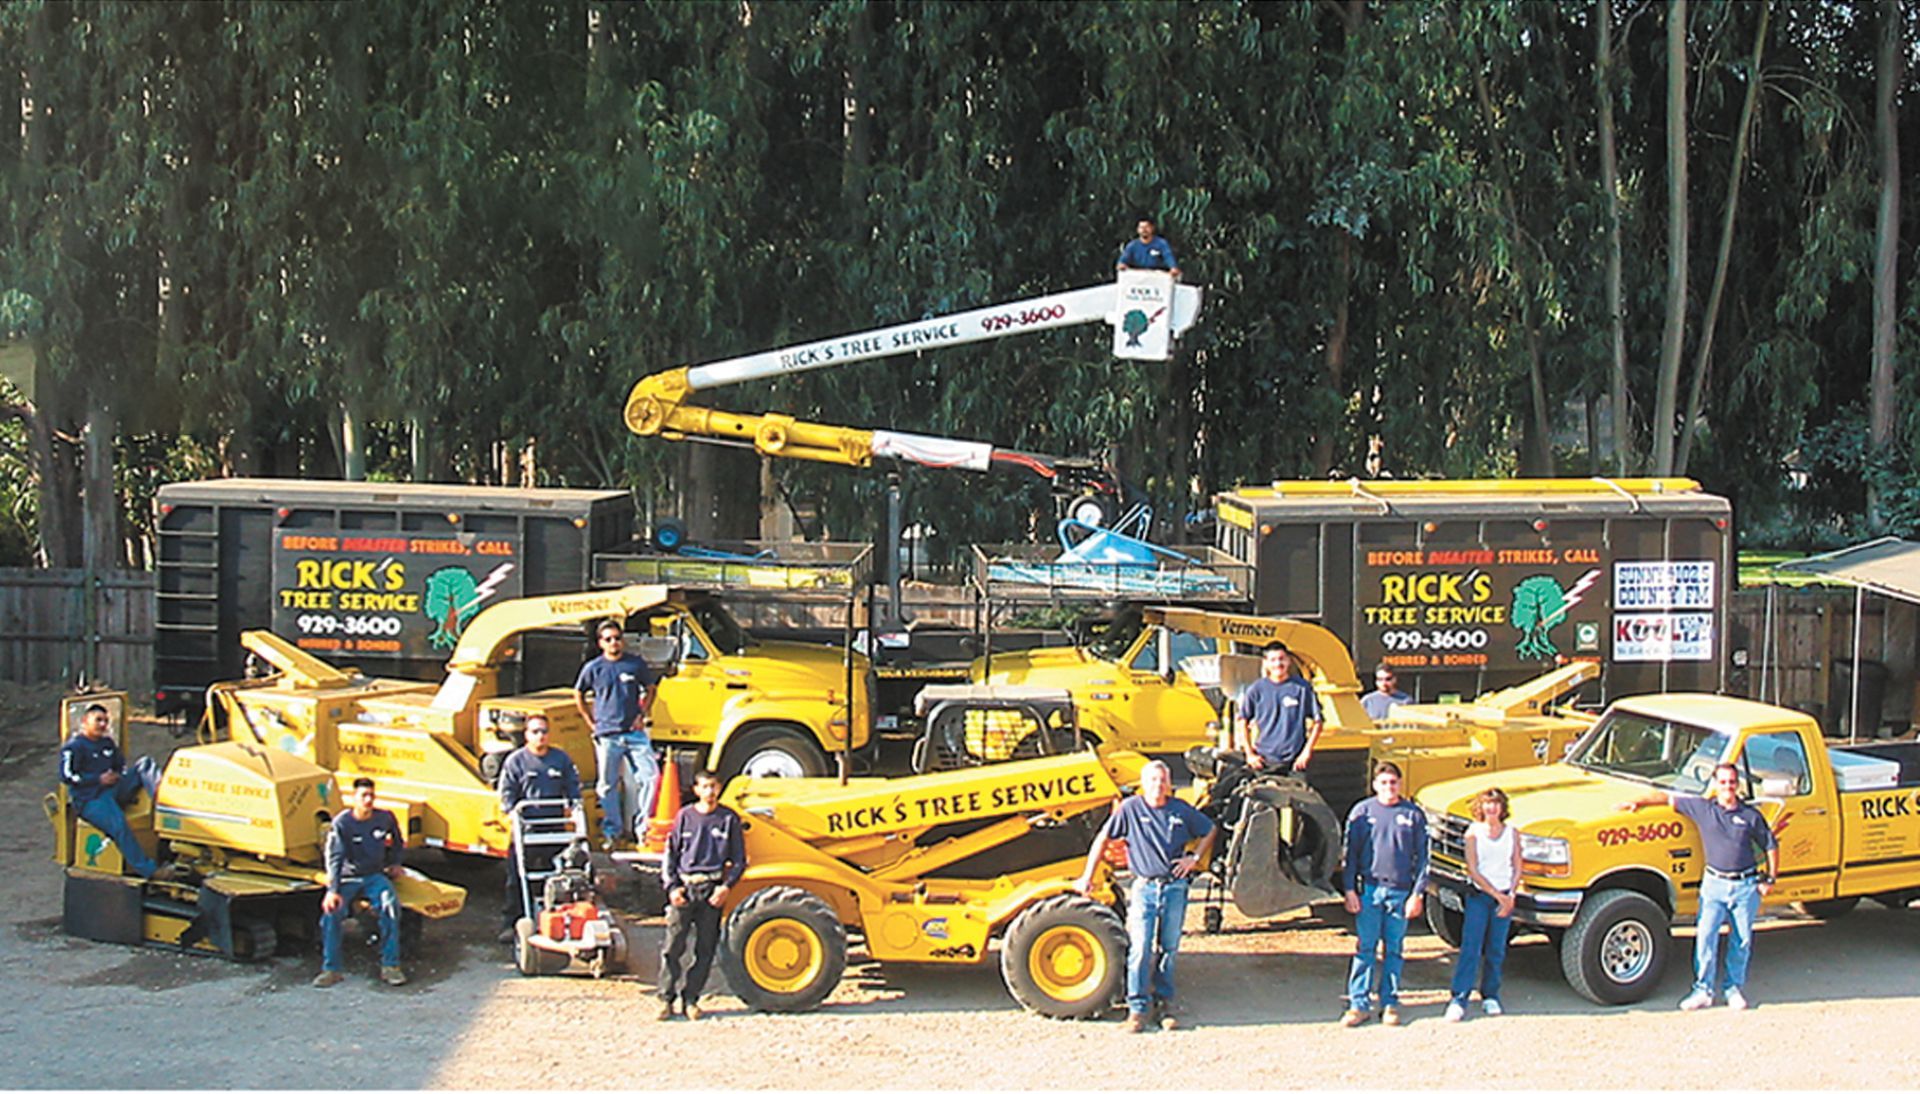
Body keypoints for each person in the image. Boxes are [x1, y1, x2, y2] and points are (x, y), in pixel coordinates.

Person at [1621, 762, 1779, 1011]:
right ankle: (1703, 990)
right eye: (1723, 782)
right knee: (1705, 937)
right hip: (1713, 885)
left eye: (1732, 782)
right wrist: (1639, 802)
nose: (1728, 786)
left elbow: (1770, 845)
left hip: (1745, 885)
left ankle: (1733, 988)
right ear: (1715, 784)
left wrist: (1770, 878)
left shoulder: (1750, 815)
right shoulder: (1703, 809)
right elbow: (1668, 798)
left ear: (1737, 785)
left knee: (1742, 940)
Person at [1076, 759, 1217, 1033]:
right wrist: (1087, 876)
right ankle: (1138, 1009)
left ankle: (1165, 1006)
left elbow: (1209, 829)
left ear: (1169, 785)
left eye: (1163, 780)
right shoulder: (1130, 810)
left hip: (1175, 888)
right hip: (1144, 889)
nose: (1158, 785)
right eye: (1153, 780)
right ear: (1143, 784)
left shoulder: (1180, 810)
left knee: (1169, 949)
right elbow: (1102, 839)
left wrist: (1194, 857)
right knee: (1140, 949)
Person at [1341, 760, 1429, 1027]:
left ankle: (1389, 1003)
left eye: (1393, 782)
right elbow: (1350, 855)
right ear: (1374, 785)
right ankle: (1359, 1005)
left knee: (1394, 950)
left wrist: (1418, 894)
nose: (1389, 787)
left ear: (1400, 784)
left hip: (1400, 893)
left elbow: (1424, 859)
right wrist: (1349, 890)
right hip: (1369, 890)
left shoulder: (1413, 814)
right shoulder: (1362, 812)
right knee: (1365, 949)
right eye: (1384, 782)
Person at [658, 769, 746, 1022]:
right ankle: (665, 999)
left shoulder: (728, 819)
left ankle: (691, 999)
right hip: (685, 889)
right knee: (673, 947)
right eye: (705, 786)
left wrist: (726, 887)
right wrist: (672, 887)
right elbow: (670, 856)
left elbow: (739, 860)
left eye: (714, 786)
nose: (710, 792)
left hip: (712, 891)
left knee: (705, 950)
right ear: (696, 790)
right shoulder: (684, 817)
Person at [496, 715, 583, 944]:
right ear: (526, 734)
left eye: (544, 731)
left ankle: (557, 920)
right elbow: (506, 791)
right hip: (526, 831)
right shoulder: (516, 761)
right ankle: (511, 923)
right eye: (535, 731)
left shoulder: (561, 759)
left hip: (554, 830)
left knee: (559, 876)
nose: (540, 736)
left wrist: (575, 806)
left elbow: (573, 787)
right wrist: (511, 809)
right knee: (517, 878)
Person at [60, 703, 170, 880]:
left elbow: (121, 765)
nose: (103, 725)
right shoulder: (74, 747)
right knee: (119, 824)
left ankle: (165, 802)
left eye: (105, 721)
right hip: (91, 798)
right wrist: (97, 779)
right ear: (85, 721)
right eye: (98, 720)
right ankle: (149, 870)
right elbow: (66, 776)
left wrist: (118, 775)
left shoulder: (108, 743)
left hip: (113, 788)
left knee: (145, 764)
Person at [315, 777, 408, 988]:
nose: (368, 800)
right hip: (348, 878)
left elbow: (398, 840)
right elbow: (335, 857)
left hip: (374, 876)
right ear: (353, 798)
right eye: (363, 796)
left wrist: (395, 862)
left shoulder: (384, 818)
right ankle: (331, 969)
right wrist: (333, 890)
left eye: (371, 796)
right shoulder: (342, 823)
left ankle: (390, 966)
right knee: (331, 915)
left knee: (390, 906)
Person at [574, 619, 658, 850]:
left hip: (634, 734)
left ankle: (642, 828)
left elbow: (651, 688)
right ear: (601, 643)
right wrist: (590, 722)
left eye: (617, 638)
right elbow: (578, 693)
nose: (614, 643)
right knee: (607, 784)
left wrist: (642, 714)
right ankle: (612, 831)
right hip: (607, 734)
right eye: (608, 639)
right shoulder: (594, 668)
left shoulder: (635, 664)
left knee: (650, 777)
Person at [1446, 787, 1521, 1021]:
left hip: (1505, 895)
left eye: (1496, 804)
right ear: (1481, 807)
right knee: (1471, 947)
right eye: (1487, 804)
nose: (1492, 808)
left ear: (1502, 808)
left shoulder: (1512, 833)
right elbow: (1473, 869)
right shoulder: (1473, 832)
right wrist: (1498, 896)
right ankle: (1459, 998)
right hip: (1481, 896)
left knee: (1496, 949)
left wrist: (1512, 895)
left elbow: (1517, 864)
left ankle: (1490, 995)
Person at [1234, 642, 1323, 773]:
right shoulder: (1256, 690)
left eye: (1281, 659)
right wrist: (1250, 754)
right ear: (1265, 663)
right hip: (1264, 761)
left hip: (1295, 763)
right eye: (1273, 660)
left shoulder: (1302, 688)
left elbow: (1318, 722)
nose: (1278, 664)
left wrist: (1306, 753)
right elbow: (1242, 720)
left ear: (1288, 661)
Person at [1116, 217, 1180, 278]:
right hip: (1138, 276)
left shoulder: (1161, 244)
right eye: (1141, 227)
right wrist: (1122, 265)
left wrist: (1173, 267)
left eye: (1147, 227)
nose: (1144, 230)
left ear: (1152, 228)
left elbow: (1168, 256)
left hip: (1157, 275)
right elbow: (1122, 262)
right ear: (1137, 230)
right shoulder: (1132, 245)